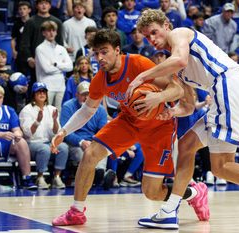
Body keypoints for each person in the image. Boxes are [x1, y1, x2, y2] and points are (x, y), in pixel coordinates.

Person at [126, 9, 239, 230]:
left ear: (166, 26)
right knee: (187, 144)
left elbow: (179, 59)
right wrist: (170, 112)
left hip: (228, 85)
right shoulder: (177, 71)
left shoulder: (180, 33)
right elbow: (188, 106)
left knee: (221, 167)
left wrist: (143, 75)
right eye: (147, 36)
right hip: (235, 94)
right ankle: (170, 210)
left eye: (154, 32)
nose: (152, 40)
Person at [50, 29, 207, 226]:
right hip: (128, 121)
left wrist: (157, 97)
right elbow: (87, 110)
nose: (100, 57)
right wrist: (64, 131)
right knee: (90, 154)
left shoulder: (138, 63)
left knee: (152, 192)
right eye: (97, 53)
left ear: (117, 50)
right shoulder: (100, 78)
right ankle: (76, 211)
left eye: (104, 51)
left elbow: (177, 89)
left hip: (158, 125)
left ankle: (193, 193)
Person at [0, 84, 37, 191]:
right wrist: (1, 134)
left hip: (6, 145)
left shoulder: (9, 110)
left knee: (22, 142)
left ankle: (26, 177)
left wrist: (18, 134)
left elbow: (16, 128)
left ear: (3, 98)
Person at [19, 82, 69, 189]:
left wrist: (55, 120)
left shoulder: (52, 109)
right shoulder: (26, 110)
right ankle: (40, 177)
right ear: (33, 94)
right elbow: (27, 134)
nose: (42, 94)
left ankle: (57, 177)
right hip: (32, 143)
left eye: (44, 91)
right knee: (44, 149)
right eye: (39, 92)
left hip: (48, 142)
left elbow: (56, 132)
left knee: (64, 147)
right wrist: (37, 121)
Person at [60, 81, 109, 186]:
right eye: (83, 94)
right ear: (76, 95)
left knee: (103, 148)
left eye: (89, 94)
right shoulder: (68, 107)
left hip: (93, 141)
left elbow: (102, 131)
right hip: (74, 142)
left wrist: (95, 143)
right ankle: (98, 178)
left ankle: (99, 173)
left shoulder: (100, 110)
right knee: (82, 153)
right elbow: (65, 132)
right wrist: (81, 142)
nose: (86, 97)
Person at [35, 20, 73, 112]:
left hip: (60, 86)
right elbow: (47, 69)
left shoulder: (61, 48)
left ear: (56, 32)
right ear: (44, 33)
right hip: (46, 85)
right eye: (48, 31)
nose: (51, 33)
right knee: (45, 111)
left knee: (59, 113)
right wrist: (62, 67)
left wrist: (56, 64)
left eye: (53, 30)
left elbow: (70, 66)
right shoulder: (40, 49)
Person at [11, 1, 32, 75]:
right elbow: (13, 39)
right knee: (21, 73)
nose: (22, 11)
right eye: (20, 9)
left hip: (31, 52)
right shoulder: (16, 24)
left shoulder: (33, 22)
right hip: (20, 52)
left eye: (24, 9)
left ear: (29, 10)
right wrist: (13, 51)